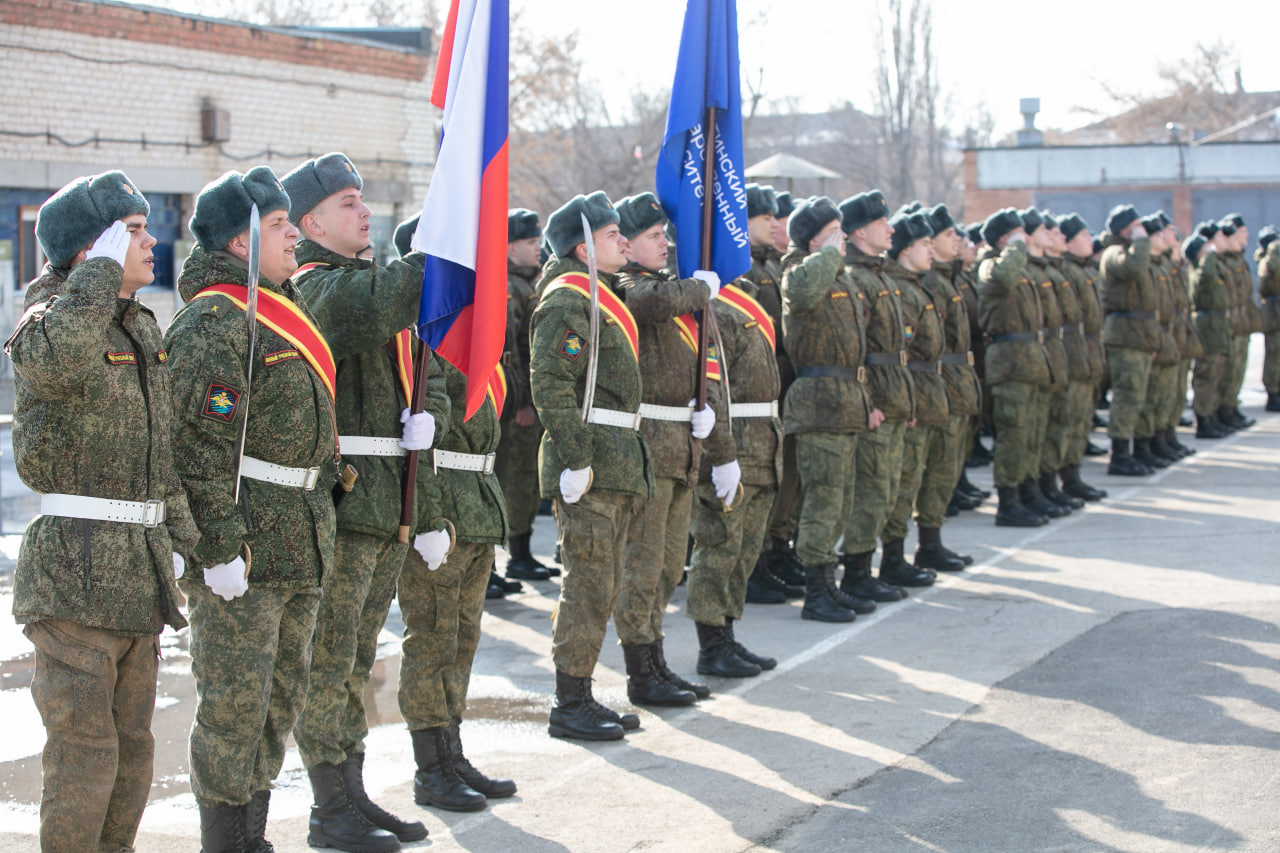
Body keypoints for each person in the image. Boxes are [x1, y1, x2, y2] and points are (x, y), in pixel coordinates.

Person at [164, 166, 418, 853]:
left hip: (297, 540)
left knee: (275, 706)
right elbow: (193, 449)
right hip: (245, 545)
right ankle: (228, 843)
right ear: (243, 242)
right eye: (279, 226)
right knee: (232, 709)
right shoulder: (213, 322)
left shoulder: (280, 311)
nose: (291, 239)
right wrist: (216, 548)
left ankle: (253, 837)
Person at [7, 171, 196, 853]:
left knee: (133, 758)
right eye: (134, 232)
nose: (151, 243)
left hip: (135, 579)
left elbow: (159, 449)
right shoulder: (45, 317)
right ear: (94, 251)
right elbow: (57, 361)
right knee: (85, 760)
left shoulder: (138, 323)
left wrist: (194, 545)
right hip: (73, 576)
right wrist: (96, 277)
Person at [283, 154, 445, 849]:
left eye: (363, 200)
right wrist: (438, 247)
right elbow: (372, 307)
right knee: (329, 660)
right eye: (349, 202)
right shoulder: (315, 288)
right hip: (346, 507)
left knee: (356, 660)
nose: (364, 211)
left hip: (383, 504)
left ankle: (351, 791)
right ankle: (329, 806)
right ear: (311, 222)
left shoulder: (358, 279)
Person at [530, 191, 652, 740]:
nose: (623, 240)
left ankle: (581, 692)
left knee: (604, 583)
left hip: (616, 463)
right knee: (587, 583)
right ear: (584, 248)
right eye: (611, 236)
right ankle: (569, 702)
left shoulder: (601, 298)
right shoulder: (566, 302)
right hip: (592, 468)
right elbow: (550, 384)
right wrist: (576, 458)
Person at [611, 192, 730, 704]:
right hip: (649, 445)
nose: (666, 243)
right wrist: (698, 289)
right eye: (655, 236)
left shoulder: (671, 289)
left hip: (681, 444)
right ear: (627, 243)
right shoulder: (627, 285)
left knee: (666, 565)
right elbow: (651, 304)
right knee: (643, 563)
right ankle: (641, 671)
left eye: (665, 234)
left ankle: (657, 660)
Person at [782, 196, 884, 622]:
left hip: (845, 402)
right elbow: (802, 292)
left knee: (839, 500)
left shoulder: (841, 279)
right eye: (834, 233)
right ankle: (816, 592)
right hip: (819, 403)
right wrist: (824, 252)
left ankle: (830, 585)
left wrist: (869, 403)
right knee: (822, 500)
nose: (842, 240)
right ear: (813, 241)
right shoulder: (799, 273)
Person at [686, 242, 785, 675]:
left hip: (762, 437)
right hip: (733, 437)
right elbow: (710, 387)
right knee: (720, 543)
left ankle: (727, 633)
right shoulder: (714, 307)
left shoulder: (742, 298)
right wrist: (721, 452)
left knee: (744, 548)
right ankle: (711, 644)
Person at [838, 191, 928, 596]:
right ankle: (857, 574)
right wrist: (868, 400)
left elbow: (899, 349)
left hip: (894, 396)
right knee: (871, 490)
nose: (891, 229)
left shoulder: (881, 276)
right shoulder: (857, 279)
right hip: (874, 400)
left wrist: (904, 400)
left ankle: (883, 564)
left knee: (889, 488)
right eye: (882, 223)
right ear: (860, 231)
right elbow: (856, 347)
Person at [976, 208, 1053, 526]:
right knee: (1013, 434)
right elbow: (1003, 278)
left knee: (1032, 433)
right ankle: (1008, 502)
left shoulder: (1022, 267)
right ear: (1005, 239)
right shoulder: (990, 265)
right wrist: (1017, 246)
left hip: (1030, 359)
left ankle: (1028, 492)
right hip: (1009, 362)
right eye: (1019, 234)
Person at [496, 208, 554, 587]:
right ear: (510, 248)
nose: (538, 248)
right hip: (518, 404)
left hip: (530, 399)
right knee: (515, 477)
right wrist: (521, 402)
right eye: (530, 242)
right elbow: (513, 352)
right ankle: (515, 556)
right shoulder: (506, 288)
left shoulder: (530, 284)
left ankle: (523, 552)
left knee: (528, 479)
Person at [1098, 204, 1160, 476]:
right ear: (1125, 229)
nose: (1142, 229)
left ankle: (1138, 449)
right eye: (1136, 225)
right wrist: (1142, 240)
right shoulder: (1115, 253)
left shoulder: (1134, 250)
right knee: (1126, 395)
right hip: (1125, 333)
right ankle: (1120, 454)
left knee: (1138, 396)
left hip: (1139, 332)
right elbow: (1133, 270)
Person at [1056, 214, 1108, 501]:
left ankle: (1073, 476)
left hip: (1087, 351)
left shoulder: (1085, 270)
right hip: (1072, 353)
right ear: (1068, 242)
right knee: (1068, 420)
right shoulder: (1066, 270)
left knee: (1081, 420)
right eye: (1083, 236)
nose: (1090, 240)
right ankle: (1064, 478)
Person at [1189, 222, 1233, 437]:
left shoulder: (1214, 264)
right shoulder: (1203, 265)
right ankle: (1204, 419)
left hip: (1218, 326)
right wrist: (1209, 253)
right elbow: (1206, 275)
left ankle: (1212, 416)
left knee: (1216, 373)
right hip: (1208, 327)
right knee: (1206, 374)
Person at [1257, 225, 1280, 411]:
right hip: (1273, 313)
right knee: (1274, 353)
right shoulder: (1266, 260)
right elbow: (1271, 269)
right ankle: (1272, 393)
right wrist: (1274, 248)